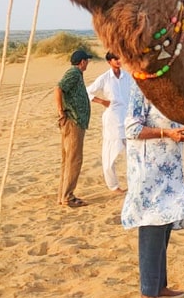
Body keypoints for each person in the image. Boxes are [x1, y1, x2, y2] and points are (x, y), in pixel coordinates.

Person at [122, 84, 184, 298]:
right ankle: (147, 295)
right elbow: (132, 128)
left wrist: (180, 133)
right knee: (152, 226)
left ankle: (160, 286)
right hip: (149, 172)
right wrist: (166, 133)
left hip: (169, 169)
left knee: (165, 224)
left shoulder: (168, 90)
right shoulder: (140, 88)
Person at [87, 51, 133, 192]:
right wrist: (101, 101)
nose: (118, 61)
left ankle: (134, 184)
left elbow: (136, 92)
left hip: (128, 119)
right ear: (109, 62)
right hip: (112, 120)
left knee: (132, 154)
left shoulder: (127, 77)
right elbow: (86, 91)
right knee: (109, 157)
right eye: (115, 59)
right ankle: (114, 186)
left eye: (120, 58)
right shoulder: (105, 78)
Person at [55, 49, 92, 208]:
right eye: (87, 61)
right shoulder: (74, 73)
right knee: (74, 159)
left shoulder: (76, 74)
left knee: (68, 159)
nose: (88, 63)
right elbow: (59, 88)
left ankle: (62, 195)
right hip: (73, 122)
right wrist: (60, 111)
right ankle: (68, 197)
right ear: (82, 62)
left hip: (75, 122)